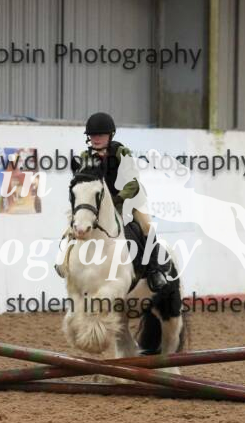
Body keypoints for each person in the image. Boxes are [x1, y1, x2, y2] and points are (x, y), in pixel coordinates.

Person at [65, 111, 171, 292]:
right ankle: (64, 263)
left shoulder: (122, 153)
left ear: (110, 135)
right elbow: (82, 183)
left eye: (100, 135)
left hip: (129, 199)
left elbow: (132, 183)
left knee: (146, 226)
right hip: (99, 204)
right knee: (73, 224)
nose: (96, 139)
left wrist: (117, 199)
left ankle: (155, 269)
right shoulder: (85, 156)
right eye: (92, 135)